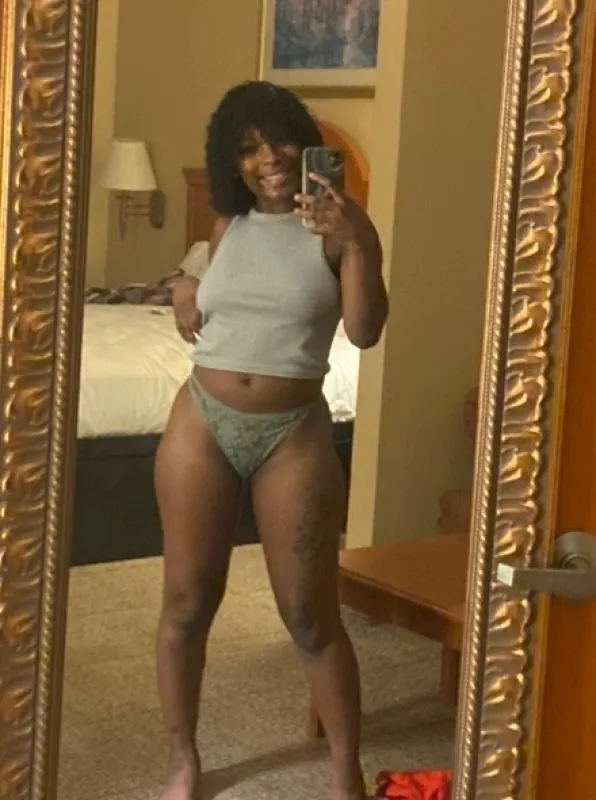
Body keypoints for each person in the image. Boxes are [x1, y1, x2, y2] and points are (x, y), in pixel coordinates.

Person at [155, 80, 388, 800]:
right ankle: (183, 760)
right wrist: (182, 286)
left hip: (293, 434)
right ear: (234, 162)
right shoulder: (228, 224)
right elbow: (202, 281)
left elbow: (364, 331)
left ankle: (345, 771)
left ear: (305, 142)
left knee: (310, 615)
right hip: (201, 422)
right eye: (249, 149)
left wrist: (359, 241)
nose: (269, 160)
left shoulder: (341, 229)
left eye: (279, 140)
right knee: (187, 601)